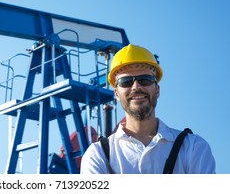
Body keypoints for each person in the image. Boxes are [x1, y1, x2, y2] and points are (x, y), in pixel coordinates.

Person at [80, 44, 216, 174]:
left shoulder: (193, 148)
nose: (136, 87)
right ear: (116, 94)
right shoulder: (97, 156)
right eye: (126, 82)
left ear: (157, 90)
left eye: (145, 79)